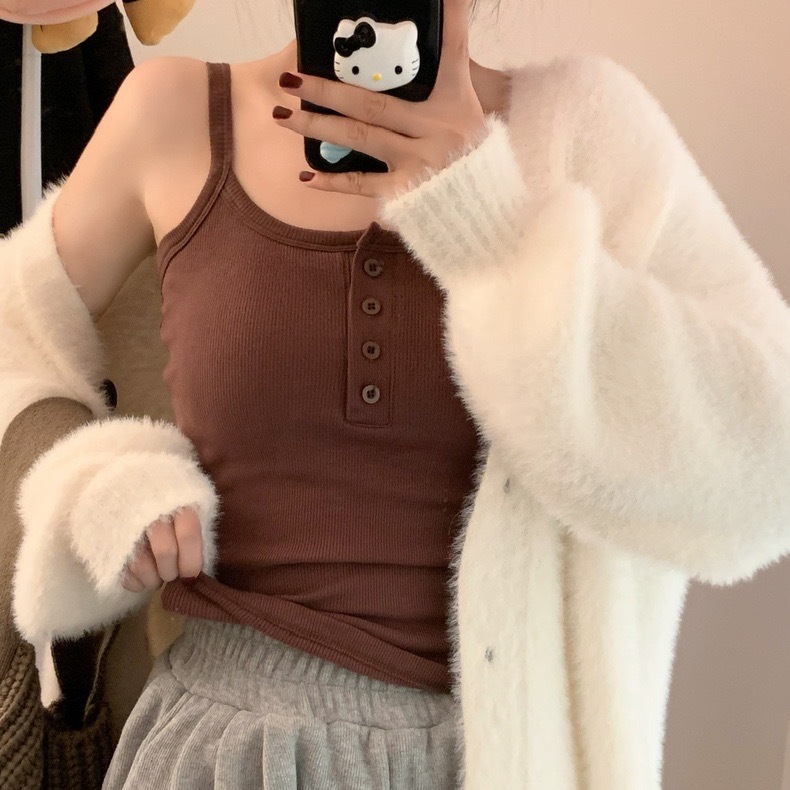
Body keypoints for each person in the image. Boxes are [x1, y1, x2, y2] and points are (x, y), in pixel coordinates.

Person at [3, 0, 790, 787]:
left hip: (501, 762)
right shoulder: (175, 112)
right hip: (225, 754)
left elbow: (766, 473)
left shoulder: (586, 129)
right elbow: (14, 339)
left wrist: (485, 217)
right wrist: (94, 484)